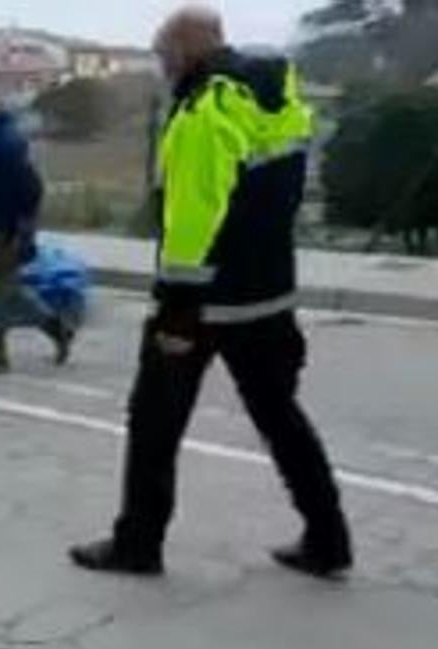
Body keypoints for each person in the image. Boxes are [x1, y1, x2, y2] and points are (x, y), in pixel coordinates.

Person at [68, 6, 354, 579]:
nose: (161, 67)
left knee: (153, 423)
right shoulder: (278, 101)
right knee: (281, 417)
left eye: (162, 56)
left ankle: (137, 544)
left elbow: (194, 221)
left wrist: (175, 308)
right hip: (269, 292)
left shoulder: (206, 112)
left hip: (203, 303)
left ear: (183, 53)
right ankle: (328, 539)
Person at [0, 80, 75, 376]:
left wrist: (25, 231)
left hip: (11, 226)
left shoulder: (4, 143)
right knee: (6, 290)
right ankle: (51, 329)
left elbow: (31, 188)